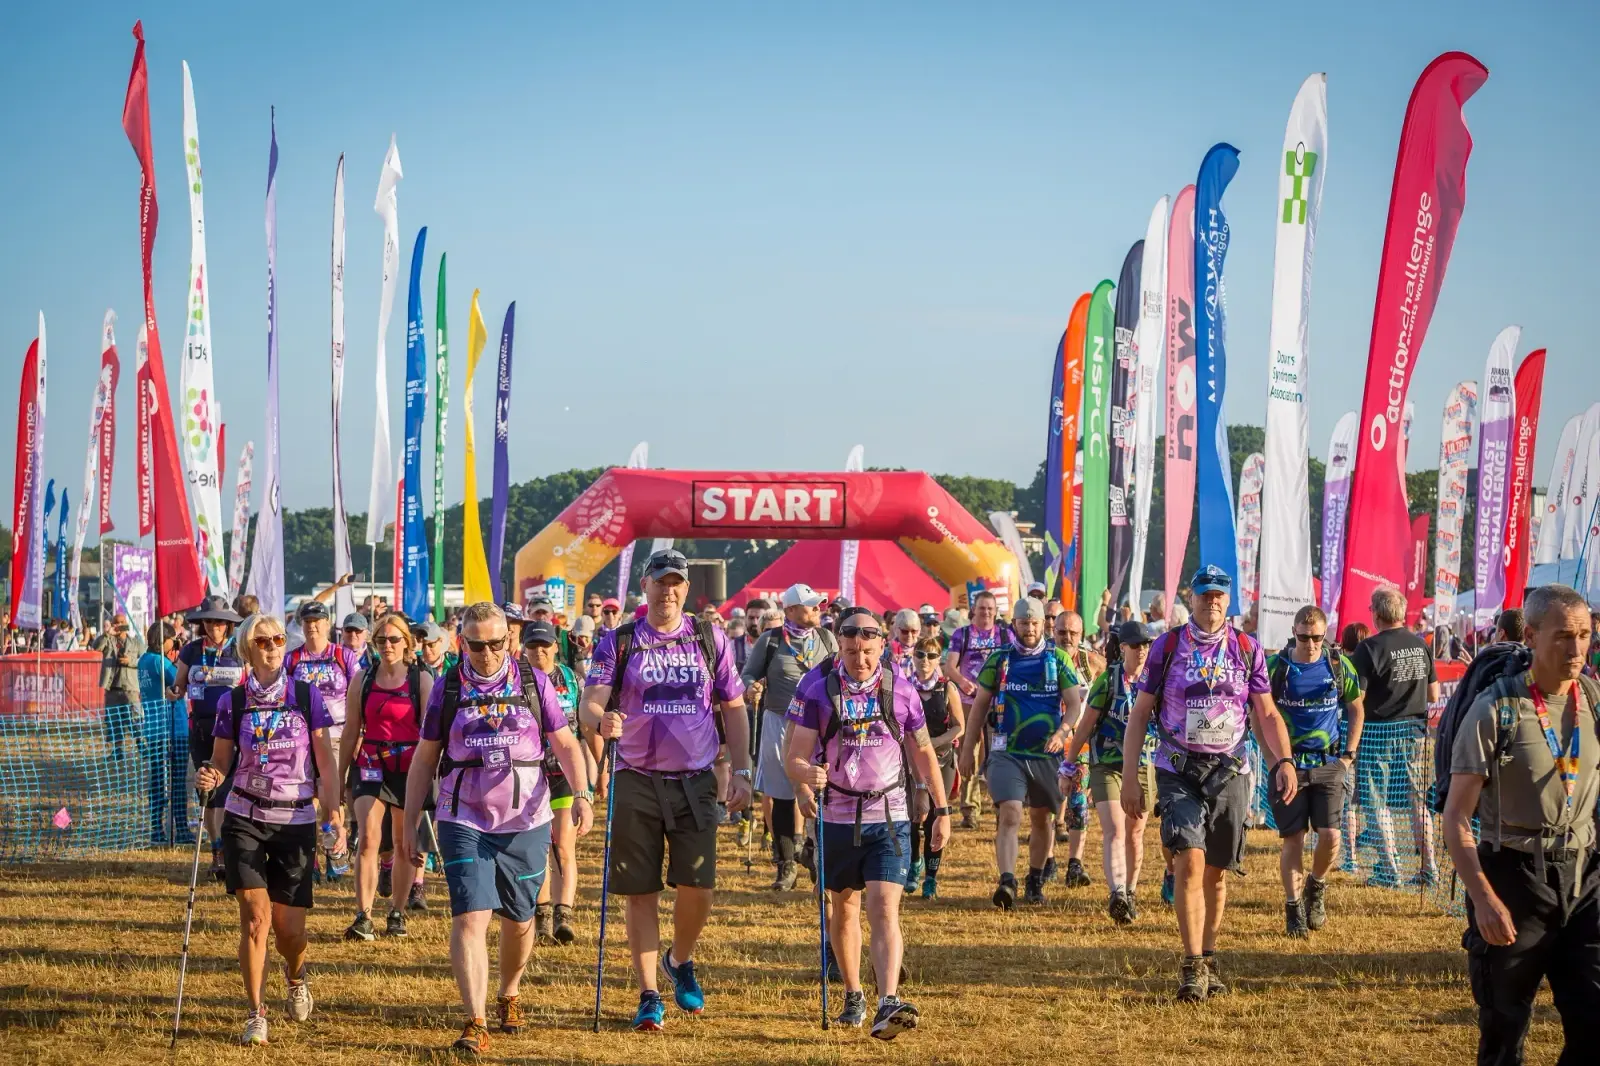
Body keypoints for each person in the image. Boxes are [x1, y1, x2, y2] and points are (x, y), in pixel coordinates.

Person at [400, 603, 593, 1057]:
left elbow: (564, 742)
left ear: (508, 640)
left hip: (526, 817)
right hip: (462, 814)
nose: (485, 653)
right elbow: (425, 757)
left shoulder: (532, 681)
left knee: (520, 917)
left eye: (494, 643)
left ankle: (509, 992)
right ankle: (476, 1020)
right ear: (460, 642)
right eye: (475, 644)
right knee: (470, 914)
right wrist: (409, 824)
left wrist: (582, 793)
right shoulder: (447, 687)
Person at [581, 548, 750, 1032]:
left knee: (699, 885)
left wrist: (741, 770)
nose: (668, 590)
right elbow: (588, 704)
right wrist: (601, 718)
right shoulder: (620, 641)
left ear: (685, 587)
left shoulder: (707, 636)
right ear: (645, 586)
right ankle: (649, 992)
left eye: (676, 582)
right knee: (641, 891)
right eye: (660, 581)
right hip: (636, 776)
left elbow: (734, 707)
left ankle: (680, 959)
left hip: (695, 778)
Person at [1119, 564, 1298, 1001]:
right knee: (1189, 861)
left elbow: (1267, 713)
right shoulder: (1168, 646)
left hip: (1229, 769)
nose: (1212, 600)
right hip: (1178, 767)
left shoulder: (1246, 647)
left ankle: (1210, 955)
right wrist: (1129, 777)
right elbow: (1140, 713)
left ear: (1228, 598)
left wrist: (1285, 760)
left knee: (1216, 874)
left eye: (1220, 593)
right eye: (1205, 593)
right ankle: (1191, 962)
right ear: (1192, 596)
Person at [1442, 583, 1600, 1066]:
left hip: (1584, 878)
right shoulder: (1495, 709)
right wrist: (1484, 899)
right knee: (1505, 1034)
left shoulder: (1593, 696)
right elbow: (1455, 818)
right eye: (1562, 636)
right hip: (1513, 877)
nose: (1575, 649)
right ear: (1530, 636)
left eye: (1584, 635)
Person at [786, 606, 949, 1038]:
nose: (860, 660)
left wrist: (941, 808)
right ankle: (854, 994)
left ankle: (887, 1000)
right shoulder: (817, 688)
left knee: (883, 906)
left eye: (868, 651)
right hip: (838, 814)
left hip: (890, 815)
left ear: (882, 646)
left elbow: (923, 752)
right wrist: (807, 776)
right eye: (852, 650)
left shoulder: (901, 689)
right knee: (845, 908)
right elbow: (793, 756)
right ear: (839, 645)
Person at [195, 613, 344, 1046]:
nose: (273, 646)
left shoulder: (304, 694)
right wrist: (210, 775)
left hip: (295, 818)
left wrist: (332, 809)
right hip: (245, 816)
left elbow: (325, 759)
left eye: (278, 638)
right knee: (256, 920)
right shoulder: (233, 702)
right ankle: (256, 1011)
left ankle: (296, 976)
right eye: (263, 641)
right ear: (248, 649)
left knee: (290, 931)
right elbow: (221, 761)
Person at [957, 597, 1082, 908]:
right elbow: (979, 707)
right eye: (1023, 623)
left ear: (1044, 625)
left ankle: (1035, 878)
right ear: (1013, 624)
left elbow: (1075, 704)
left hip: (1046, 753)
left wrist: (1062, 733)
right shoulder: (1000, 659)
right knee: (1010, 812)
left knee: (1043, 820)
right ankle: (1007, 880)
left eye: (1035, 623)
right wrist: (967, 749)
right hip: (1006, 752)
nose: (1029, 628)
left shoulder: (1058, 659)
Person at [1264, 606, 1365, 937]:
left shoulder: (1337, 665)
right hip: (1289, 765)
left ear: (1325, 635)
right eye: (1303, 637)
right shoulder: (1277, 667)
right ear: (1294, 632)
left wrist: (1348, 756)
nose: (1309, 643)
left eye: (1317, 637)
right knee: (1294, 839)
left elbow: (1355, 707)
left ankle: (1316, 886)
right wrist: (1275, 760)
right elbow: (1259, 715)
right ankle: (1293, 908)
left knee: (1332, 836)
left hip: (1328, 764)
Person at [339, 613, 434, 941]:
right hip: (370, 764)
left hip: (409, 768)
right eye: (381, 641)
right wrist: (339, 779)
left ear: (407, 643)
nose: (388, 646)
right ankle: (363, 916)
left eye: (394, 640)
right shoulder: (363, 679)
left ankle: (397, 911)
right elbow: (352, 729)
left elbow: (431, 734)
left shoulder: (421, 680)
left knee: (403, 841)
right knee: (367, 837)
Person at [742, 583, 837, 890]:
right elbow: (748, 673)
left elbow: (840, 673)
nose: (818, 609)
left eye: (818, 604)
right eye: (812, 605)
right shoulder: (771, 640)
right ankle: (785, 865)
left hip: (820, 725)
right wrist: (751, 687)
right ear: (791, 611)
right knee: (783, 794)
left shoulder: (826, 638)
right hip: (778, 720)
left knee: (822, 790)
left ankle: (813, 851)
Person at [1063, 619, 1159, 924]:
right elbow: (1086, 725)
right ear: (1122, 647)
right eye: (1135, 645)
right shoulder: (1109, 680)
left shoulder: (1156, 679)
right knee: (1115, 830)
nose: (1141, 650)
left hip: (1144, 762)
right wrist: (1069, 763)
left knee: (1135, 833)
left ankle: (1130, 892)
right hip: (1107, 762)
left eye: (1146, 644)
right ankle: (1117, 892)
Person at [1351, 586, 1441, 888]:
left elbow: (1357, 699)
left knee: (1376, 802)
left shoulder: (1368, 649)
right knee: (1417, 802)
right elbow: (1434, 693)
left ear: (1376, 615)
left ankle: (1390, 871)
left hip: (1377, 733)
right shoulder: (1420, 644)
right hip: (1414, 733)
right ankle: (1430, 868)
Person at [522, 620, 593, 946]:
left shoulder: (572, 680)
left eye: (545, 645)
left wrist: (594, 778)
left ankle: (565, 912)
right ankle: (543, 914)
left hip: (564, 775)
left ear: (555, 647)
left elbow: (585, 733)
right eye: (533, 646)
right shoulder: (517, 681)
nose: (539, 651)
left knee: (563, 845)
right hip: (530, 776)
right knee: (538, 849)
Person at [285, 600, 363, 881]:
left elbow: (358, 695)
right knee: (307, 801)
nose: (312, 626)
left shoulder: (344, 657)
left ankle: (334, 857)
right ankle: (311, 862)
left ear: (328, 624)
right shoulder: (292, 659)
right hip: (302, 739)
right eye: (307, 621)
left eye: (317, 620)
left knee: (333, 801)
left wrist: (358, 734)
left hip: (337, 736)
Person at [174, 596, 247, 879]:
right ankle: (216, 850)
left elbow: (251, 685)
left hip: (235, 730)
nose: (213, 626)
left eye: (218, 622)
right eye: (208, 621)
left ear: (228, 624)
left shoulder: (240, 651)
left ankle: (230, 849)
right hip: (203, 729)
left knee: (229, 792)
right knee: (209, 794)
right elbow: (178, 684)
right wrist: (174, 690)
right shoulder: (192, 651)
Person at [943, 592, 1008, 829]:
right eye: (982, 608)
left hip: (998, 704)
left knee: (999, 754)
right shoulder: (963, 634)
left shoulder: (1004, 634)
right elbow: (949, 666)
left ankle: (1002, 806)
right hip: (968, 701)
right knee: (968, 753)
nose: (986, 613)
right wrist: (962, 681)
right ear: (974, 609)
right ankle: (969, 809)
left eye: (990, 608)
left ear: (996, 610)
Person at [906, 634, 963, 898]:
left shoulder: (947, 688)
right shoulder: (904, 687)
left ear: (938, 659)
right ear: (913, 656)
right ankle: (913, 863)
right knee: (912, 818)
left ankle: (931, 877)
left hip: (941, 760)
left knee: (935, 819)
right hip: (911, 762)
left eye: (930, 656)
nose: (924, 661)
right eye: (920, 654)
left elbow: (959, 726)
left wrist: (933, 742)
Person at [1051, 610, 1103, 887]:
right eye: (1062, 631)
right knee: (1048, 803)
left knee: (1079, 803)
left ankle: (1075, 862)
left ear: (1081, 634)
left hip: (1080, 744)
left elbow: (1110, 693)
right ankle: (1047, 860)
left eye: (1072, 632)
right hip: (1047, 742)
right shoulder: (1043, 659)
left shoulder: (1091, 662)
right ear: (1053, 631)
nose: (1067, 637)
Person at [139, 620, 183, 843]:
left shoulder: (144, 660)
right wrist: (181, 660)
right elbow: (180, 680)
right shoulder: (160, 662)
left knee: (157, 779)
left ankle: (157, 828)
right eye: (172, 639)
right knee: (177, 781)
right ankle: (181, 829)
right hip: (172, 727)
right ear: (163, 641)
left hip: (153, 728)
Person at [95, 613, 145, 761]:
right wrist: (107, 633)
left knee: (135, 719)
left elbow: (144, 660)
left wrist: (130, 661)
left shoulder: (135, 642)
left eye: (122, 622)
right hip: (112, 688)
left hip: (130, 687)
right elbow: (96, 646)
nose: (119, 625)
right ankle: (117, 750)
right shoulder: (108, 640)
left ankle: (141, 746)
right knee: (113, 721)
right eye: (116, 623)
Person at [889, 610, 922, 675]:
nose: (909, 635)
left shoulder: (924, 649)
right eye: (904, 631)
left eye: (913, 631)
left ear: (919, 630)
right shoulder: (887, 651)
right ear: (896, 629)